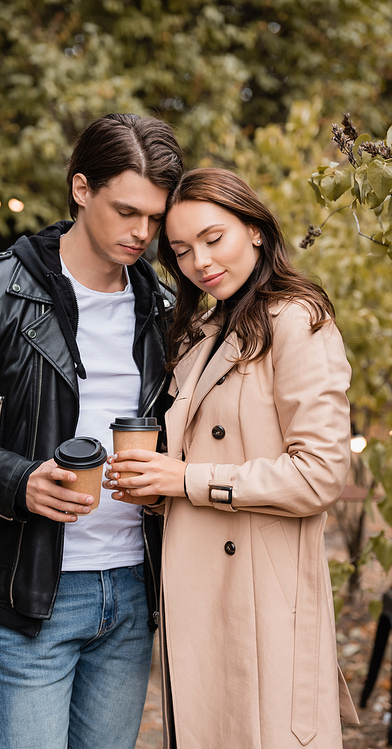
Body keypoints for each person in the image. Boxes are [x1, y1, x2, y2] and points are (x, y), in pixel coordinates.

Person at [0, 113, 183, 749]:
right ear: (81, 189)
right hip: (31, 592)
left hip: (134, 589)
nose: (142, 233)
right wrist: (18, 479)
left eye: (155, 219)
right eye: (126, 211)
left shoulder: (165, 310)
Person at [104, 167, 360, 748]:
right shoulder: (201, 329)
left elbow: (320, 475)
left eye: (214, 238)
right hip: (197, 595)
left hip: (260, 598)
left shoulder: (298, 320)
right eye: (183, 250)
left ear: (257, 231)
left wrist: (188, 480)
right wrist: (155, 487)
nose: (201, 261)